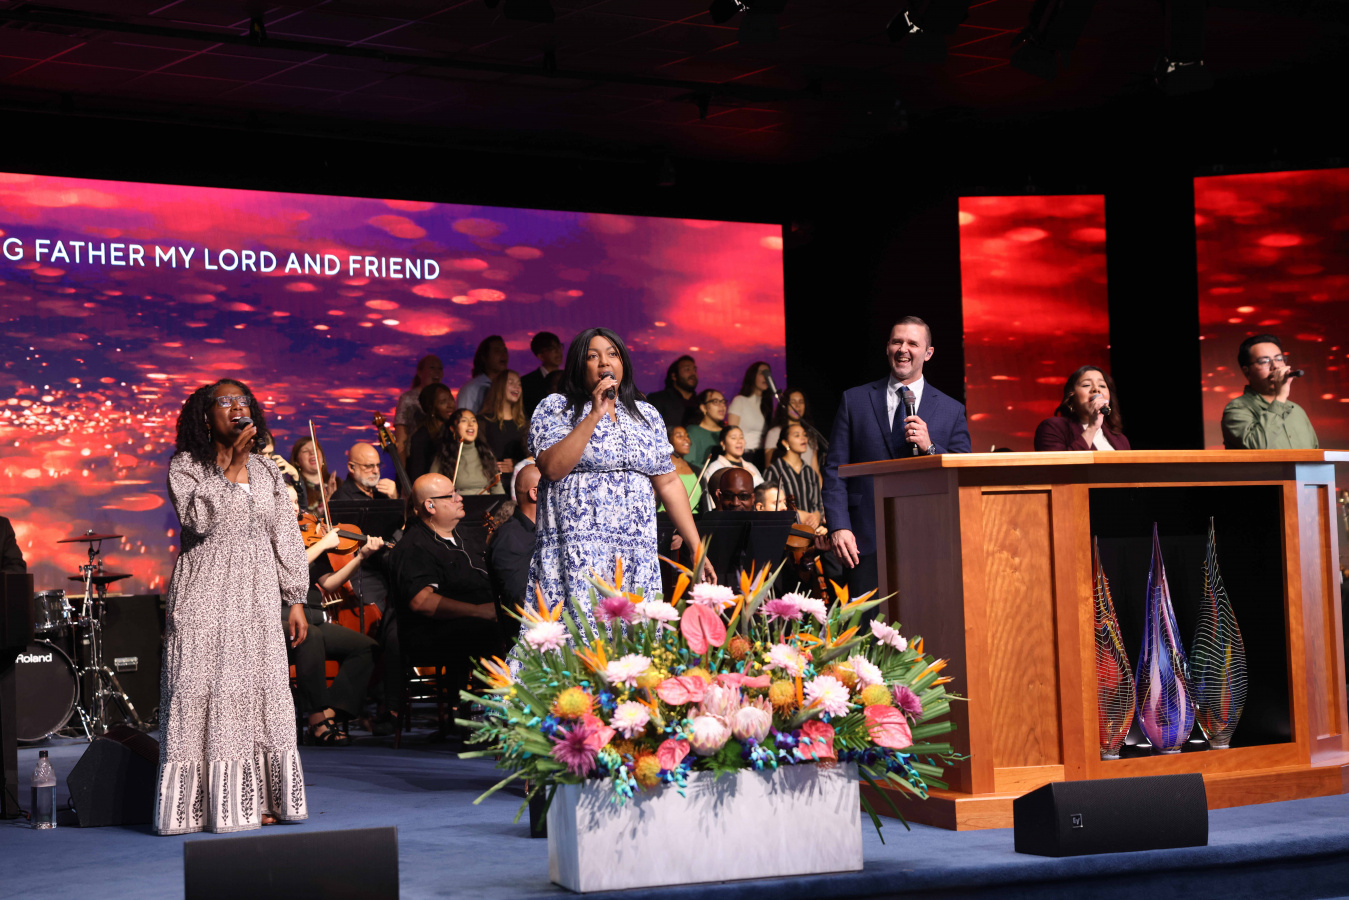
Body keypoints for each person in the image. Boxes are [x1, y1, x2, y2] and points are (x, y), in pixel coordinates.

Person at [154, 378, 309, 835]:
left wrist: (296, 597)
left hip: (257, 595)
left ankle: (258, 800)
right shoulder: (187, 466)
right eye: (226, 401)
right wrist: (234, 464)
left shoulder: (266, 471)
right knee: (205, 689)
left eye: (244, 401)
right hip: (206, 592)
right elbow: (199, 520)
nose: (237, 407)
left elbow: (284, 533)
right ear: (206, 416)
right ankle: (201, 807)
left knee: (258, 694)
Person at [529, 327, 714, 626]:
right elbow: (552, 468)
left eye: (612, 354)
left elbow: (668, 482)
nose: (604, 362)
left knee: (634, 640)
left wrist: (697, 548)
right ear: (578, 365)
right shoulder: (557, 408)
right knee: (581, 637)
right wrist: (594, 413)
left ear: (623, 363)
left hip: (636, 551)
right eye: (593, 356)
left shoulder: (646, 415)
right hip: (580, 552)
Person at [822, 317, 972, 600]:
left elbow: (964, 473)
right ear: (887, 347)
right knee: (864, 624)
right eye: (896, 342)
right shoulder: (855, 400)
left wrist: (930, 447)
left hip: (930, 542)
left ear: (928, 353)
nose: (903, 349)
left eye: (912, 343)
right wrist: (839, 526)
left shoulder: (951, 410)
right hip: (864, 542)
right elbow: (835, 471)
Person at [386, 474, 500, 739]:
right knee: (491, 632)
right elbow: (421, 601)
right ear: (430, 505)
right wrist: (480, 611)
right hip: (432, 633)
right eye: (451, 495)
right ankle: (487, 713)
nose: (459, 498)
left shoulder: (469, 536)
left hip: (474, 622)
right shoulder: (413, 546)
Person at [293, 519, 383, 746]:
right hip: (282, 616)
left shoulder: (307, 541)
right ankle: (316, 720)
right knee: (311, 636)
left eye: (296, 503)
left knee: (366, 647)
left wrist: (361, 557)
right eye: (290, 503)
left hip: (313, 616)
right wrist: (323, 545)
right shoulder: (268, 537)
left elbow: (329, 583)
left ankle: (329, 712)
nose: (297, 509)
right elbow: (286, 568)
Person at [1222, 334, 1319, 450]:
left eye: (1279, 359)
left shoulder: (1297, 410)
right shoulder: (1237, 408)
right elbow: (1259, 447)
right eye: (1264, 361)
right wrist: (1281, 396)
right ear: (1246, 371)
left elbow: (1315, 453)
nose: (1275, 366)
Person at [486, 464, 540, 644]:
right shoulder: (510, 538)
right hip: (532, 641)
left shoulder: (549, 531)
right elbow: (521, 601)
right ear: (535, 493)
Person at [1034, 366, 1131, 451]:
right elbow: (1059, 465)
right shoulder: (1053, 427)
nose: (1096, 389)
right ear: (1071, 398)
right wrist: (1092, 427)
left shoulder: (1121, 439)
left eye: (1102, 385)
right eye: (1086, 385)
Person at [434, 409, 505, 495]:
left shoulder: (485, 453)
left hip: (485, 502)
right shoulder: (444, 455)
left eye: (473, 421)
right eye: (464, 421)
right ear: (452, 428)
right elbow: (434, 488)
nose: (471, 424)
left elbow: (497, 488)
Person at [766, 422, 823, 528]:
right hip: (787, 529)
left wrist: (817, 515)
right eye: (797, 435)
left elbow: (818, 504)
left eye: (805, 435)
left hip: (811, 530)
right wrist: (797, 514)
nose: (803, 438)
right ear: (785, 443)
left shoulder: (810, 472)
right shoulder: (774, 471)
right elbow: (769, 505)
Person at [479, 369, 529, 481]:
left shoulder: (524, 423)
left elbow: (531, 458)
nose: (516, 387)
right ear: (499, 387)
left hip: (518, 482)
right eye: (511, 382)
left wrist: (517, 464)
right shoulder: (482, 422)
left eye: (519, 384)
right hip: (492, 482)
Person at [703, 425, 764, 510]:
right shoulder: (715, 468)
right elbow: (712, 501)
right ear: (723, 443)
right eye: (733, 438)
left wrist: (752, 474)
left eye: (741, 437)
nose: (739, 441)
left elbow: (763, 493)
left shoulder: (751, 467)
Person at [727, 361, 774, 469]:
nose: (766, 377)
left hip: (761, 456)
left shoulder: (767, 405)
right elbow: (731, 432)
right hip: (744, 455)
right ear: (752, 376)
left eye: (768, 373)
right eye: (762, 373)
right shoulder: (740, 401)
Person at [394, 355, 443, 456]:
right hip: (415, 456)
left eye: (440, 368)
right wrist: (402, 464)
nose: (437, 372)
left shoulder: (445, 399)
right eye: (432, 368)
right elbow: (401, 439)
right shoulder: (408, 398)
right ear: (420, 373)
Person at [407, 383, 456, 483]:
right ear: (431, 407)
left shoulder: (455, 431)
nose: (450, 405)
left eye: (451, 399)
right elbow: (417, 473)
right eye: (443, 402)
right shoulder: (421, 437)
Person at [764, 388, 822, 473]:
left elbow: (815, 469)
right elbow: (770, 466)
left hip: (808, 480)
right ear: (785, 405)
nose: (797, 405)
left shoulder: (810, 433)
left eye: (801, 402)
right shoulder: (775, 433)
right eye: (793, 402)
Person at [645, 355, 700, 433]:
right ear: (674, 376)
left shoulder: (701, 403)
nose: (693, 373)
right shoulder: (657, 399)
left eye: (695, 370)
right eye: (687, 369)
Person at [457, 335, 509, 414]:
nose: (503, 354)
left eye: (505, 350)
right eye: (497, 351)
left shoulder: (510, 388)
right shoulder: (471, 389)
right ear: (484, 357)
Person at [520, 332, 564, 418]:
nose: (558, 351)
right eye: (552, 348)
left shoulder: (570, 378)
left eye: (559, 346)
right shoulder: (527, 382)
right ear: (540, 356)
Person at [290, 436, 336, 515]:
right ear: (297, 461)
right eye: (305, 451)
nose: (312, 453)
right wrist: (328, 499)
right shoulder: (296, 489)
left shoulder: (338, 483)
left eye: (315, 449)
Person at [684, 389, 726, 471]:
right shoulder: (693, 431)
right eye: (715, 402)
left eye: (723, 402)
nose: (722, 405)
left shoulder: (726, 433)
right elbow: (688, 463)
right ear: (703, 408)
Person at [664, 426, 703, 511]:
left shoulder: (697, 470)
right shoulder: (661, 469)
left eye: (687, 436)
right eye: (679, 436)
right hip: (665, 517)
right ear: (668, 441)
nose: (686, 439)